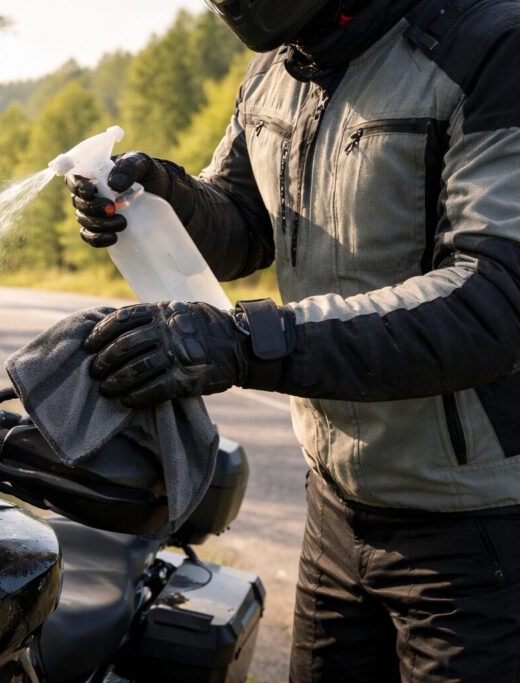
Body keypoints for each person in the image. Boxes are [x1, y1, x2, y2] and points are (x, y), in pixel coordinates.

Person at [68, 0, 520, 680]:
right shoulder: (279, 64)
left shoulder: (491, 45)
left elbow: (494, 300)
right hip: (336, 511)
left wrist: (246, 340)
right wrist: (161, 198)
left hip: (478, 531)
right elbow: (248, 220)